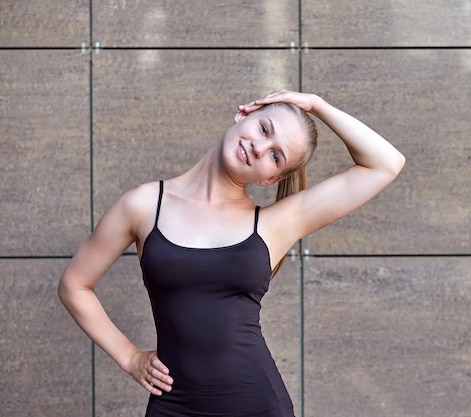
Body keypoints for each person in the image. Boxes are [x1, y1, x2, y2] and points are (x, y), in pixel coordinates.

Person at [58, 89, 405, 417]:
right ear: (244, 113)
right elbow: (74, 285)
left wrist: (316, 104)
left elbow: (385, 163)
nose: (259, 147)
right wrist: (130, 357)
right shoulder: (144, 205)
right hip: (174, 405)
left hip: (257, 404)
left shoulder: (276, 223)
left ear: (271, 179)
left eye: (275, 155)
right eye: (264, 128)